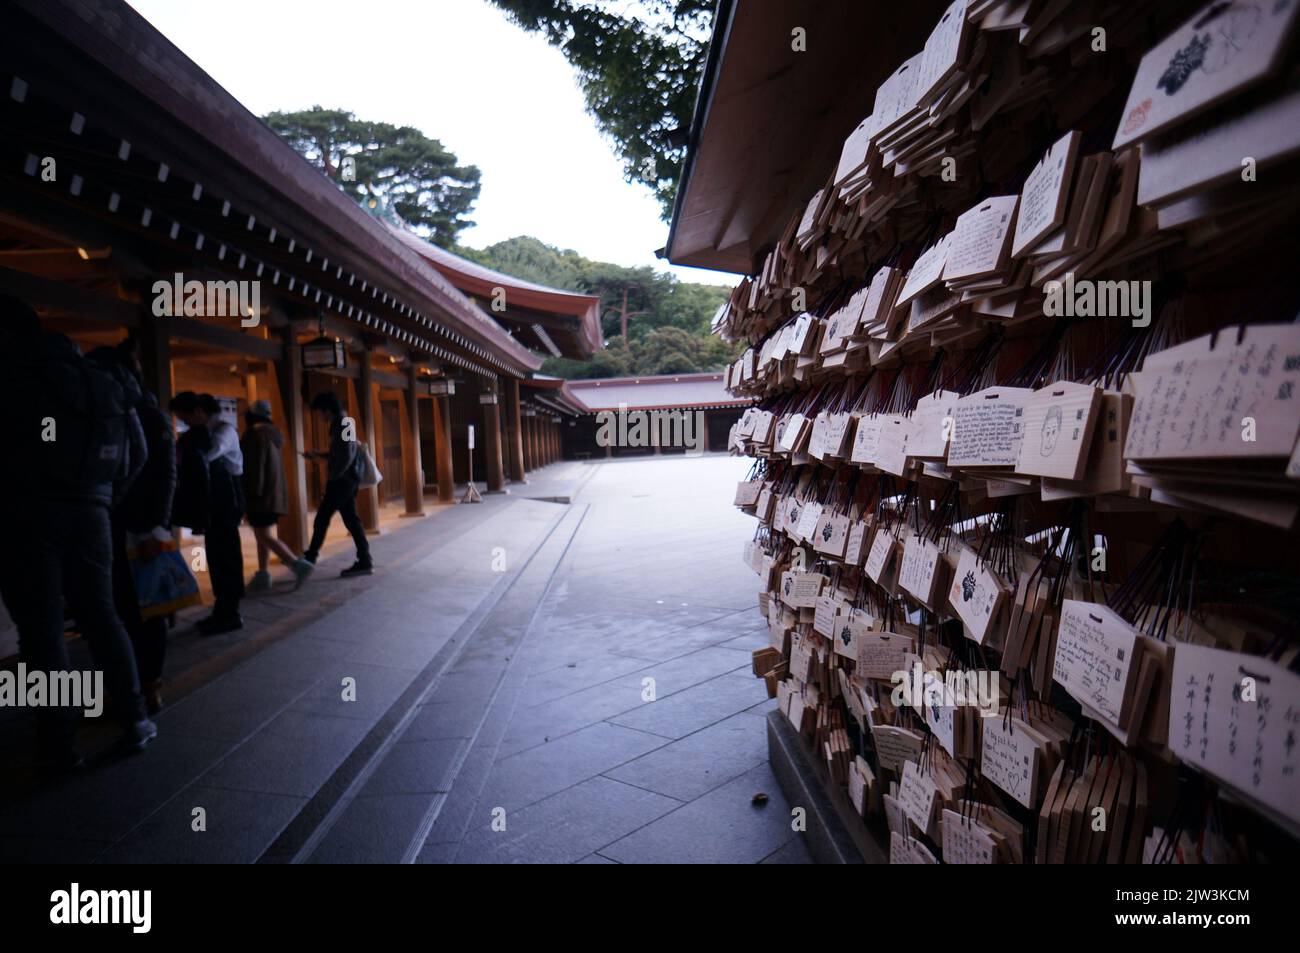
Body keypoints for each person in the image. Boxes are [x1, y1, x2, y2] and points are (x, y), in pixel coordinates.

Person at [0, 295, 157, 768]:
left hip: (30, 515)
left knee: (43, 631)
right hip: (93, 514)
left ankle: (59, 741)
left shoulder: (14, 379)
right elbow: (139, 452)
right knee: (101, 615)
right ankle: (135, 718)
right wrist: (105, 497)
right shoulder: (100, 380)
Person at [88, 341, 176, 716]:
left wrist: (158, 523)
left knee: (143, 609)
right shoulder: (130, 412)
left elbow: (167, 473)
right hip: (121, 522)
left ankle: (146, 686)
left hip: (137, 525)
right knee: (129, 609)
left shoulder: (146, 414)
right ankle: (137, 686)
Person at [168, 392, 246, 634]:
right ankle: (221, 610)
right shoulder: (201, 432)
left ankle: (230, 613)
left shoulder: (224, 431)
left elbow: (209, 455)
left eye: (186, 418)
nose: (185, 423)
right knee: (215, 556)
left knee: (227, 557)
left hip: (228, 501)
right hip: (215, 501)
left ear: (200, 411)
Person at [241, 399, 312, 591]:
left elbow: (254, 470)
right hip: (273, 494)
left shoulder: (253, 436)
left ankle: (298, 565)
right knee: (262, 534)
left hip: (260, 495)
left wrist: (250, 496)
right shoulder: (273, 436)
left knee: (263, 535)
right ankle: (263, 574)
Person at [302, 391, 373, 577]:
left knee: (322, 517)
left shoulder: (346, 422)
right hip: (345, 479)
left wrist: (334, 476)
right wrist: (318, 455)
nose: (318, 416)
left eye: (319, 412)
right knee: (350, 519)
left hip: (343, 480)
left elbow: (348, 454)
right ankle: (365, 559)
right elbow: (340, 453)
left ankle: (310, 558)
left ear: (327, 410)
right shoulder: (338, 423)